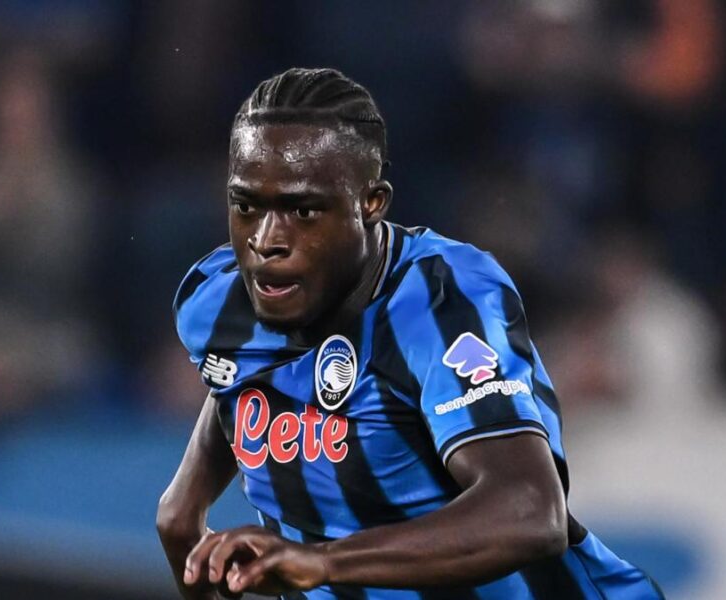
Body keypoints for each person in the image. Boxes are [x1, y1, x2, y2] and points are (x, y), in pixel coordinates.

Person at [157, 68, 663, 599]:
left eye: (303, 210)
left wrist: (322, 561)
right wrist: (187, 509)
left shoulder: (441, 301)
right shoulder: (218, 301)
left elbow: (531, 511)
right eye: (246, 205)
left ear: (372, 203)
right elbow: (182, 505)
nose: (266, 241)